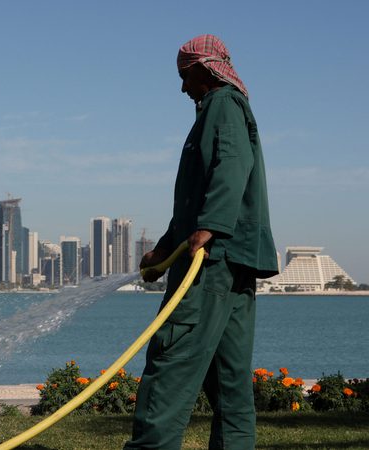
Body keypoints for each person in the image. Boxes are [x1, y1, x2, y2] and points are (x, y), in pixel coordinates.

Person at [124, 35, 279, 450]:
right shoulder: (221, 109)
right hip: (232, 262)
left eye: (184, 76)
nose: (182, 88)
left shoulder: (222, 105)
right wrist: (164, 248)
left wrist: (209, 227)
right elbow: (198, 195)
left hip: (211, 263)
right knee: (229, 381)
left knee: (170, 360)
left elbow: (231, 163)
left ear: (205, 69)